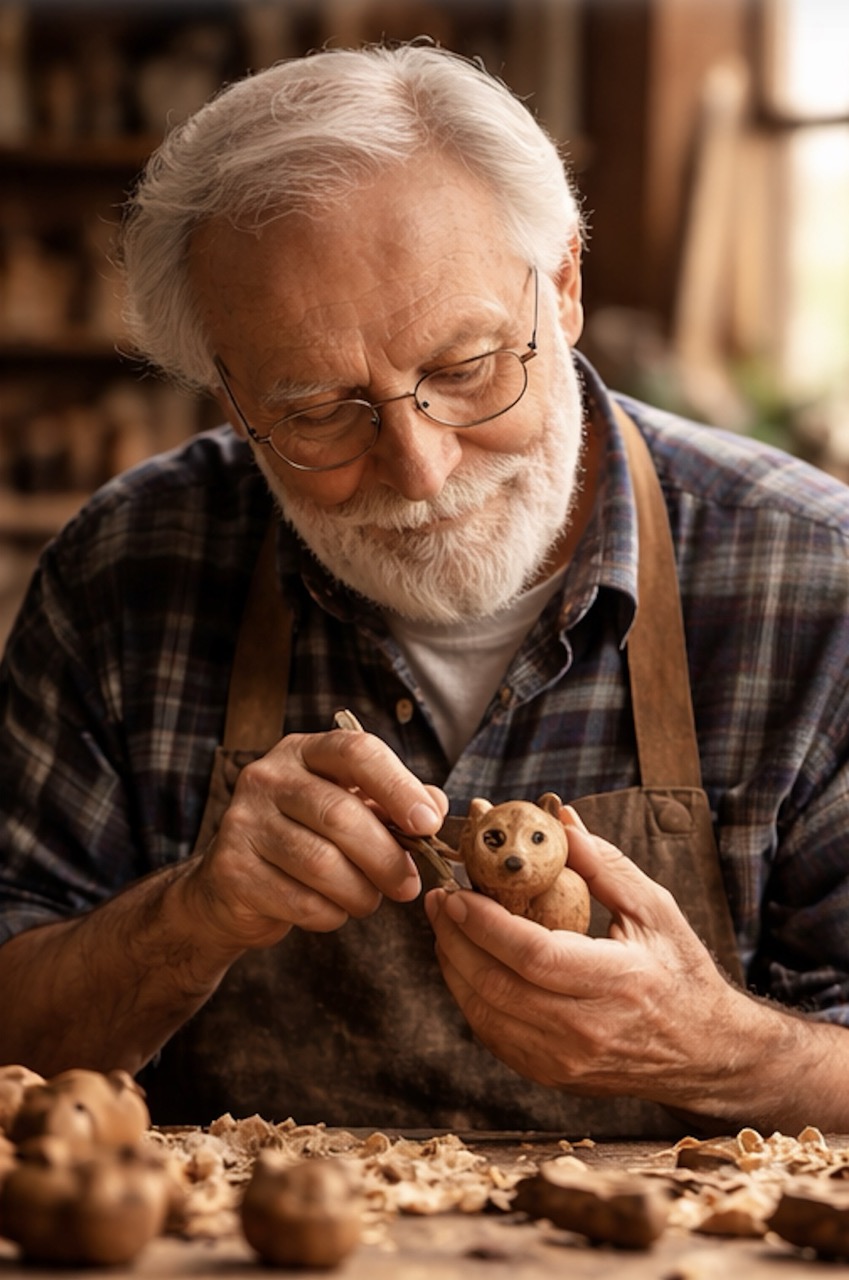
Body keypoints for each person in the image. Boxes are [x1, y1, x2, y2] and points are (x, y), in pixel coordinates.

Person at [1, 42, 848, 1138]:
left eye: (467, 369)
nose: (420, 469)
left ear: (568, 287)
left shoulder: (814, 578)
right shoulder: (122, 572)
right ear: (228, 392)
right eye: (315, 411)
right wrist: (186, 920)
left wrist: (719, 1048)